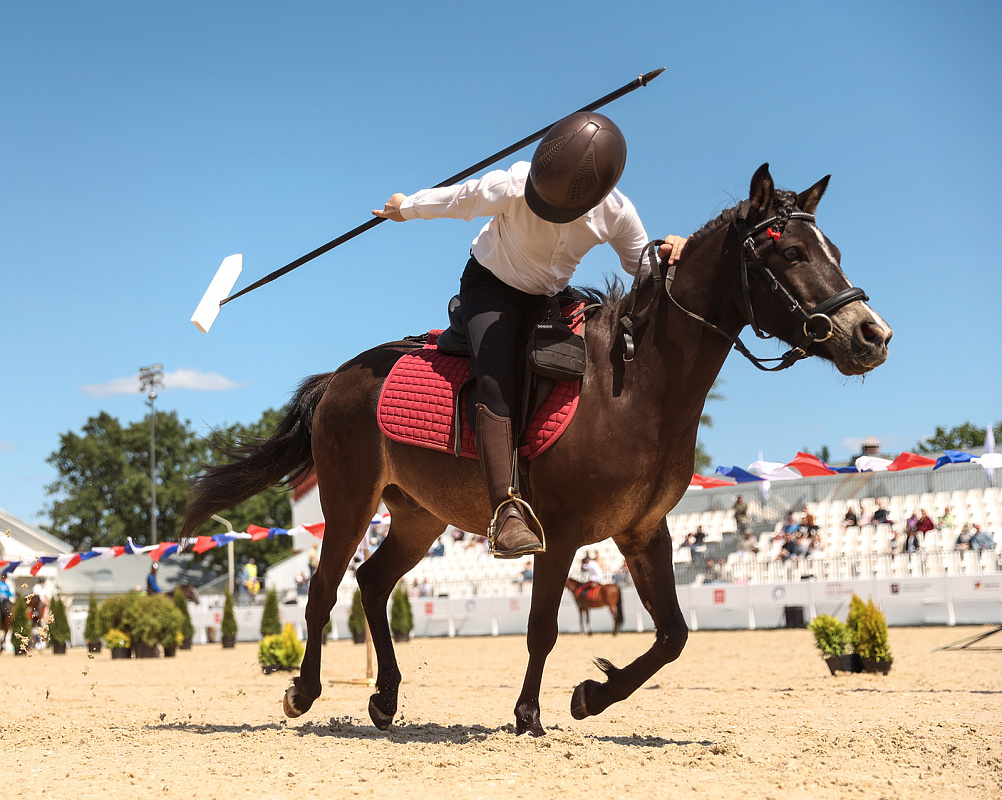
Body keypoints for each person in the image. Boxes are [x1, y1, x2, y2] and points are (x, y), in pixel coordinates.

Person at [373, 112, 687, 559]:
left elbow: (641, 266)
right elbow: (457, 199)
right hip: (490, 289)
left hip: (548, 296)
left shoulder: (617, 211)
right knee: (496, 381)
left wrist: (671, 250)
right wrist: (405, 207)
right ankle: (506, 509)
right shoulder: (513, 183)